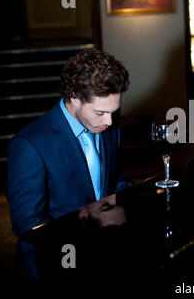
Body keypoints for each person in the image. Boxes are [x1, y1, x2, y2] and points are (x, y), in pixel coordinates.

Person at [7, 49, 130, 239]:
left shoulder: (110, 128)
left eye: (113, 111)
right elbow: (27, 223)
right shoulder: (29, 145)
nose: (109, 121)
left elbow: (116, 183)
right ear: (74, 97)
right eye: (100, 113)